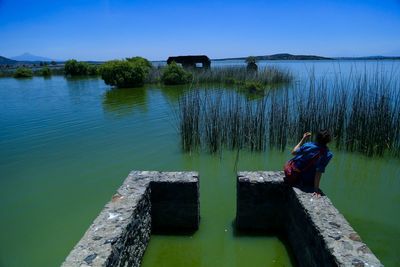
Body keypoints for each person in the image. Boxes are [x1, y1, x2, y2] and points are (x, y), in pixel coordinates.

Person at [285, 129, 333, 197]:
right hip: (306, 181)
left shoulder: (308, 145)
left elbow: (293, 152)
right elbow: (318, 172)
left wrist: (303, 138)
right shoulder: (328, 154)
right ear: (329, 141)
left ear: (316, 138)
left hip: (293, 173)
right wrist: (316, 189)